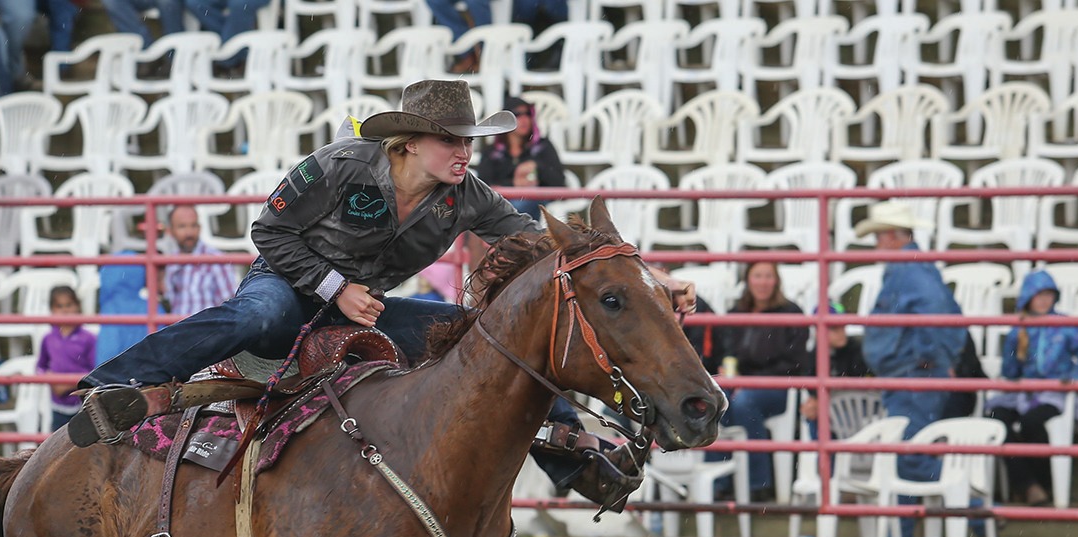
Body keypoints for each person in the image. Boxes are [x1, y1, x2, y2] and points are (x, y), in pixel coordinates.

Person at [73, 79, 694, 437]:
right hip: (291, 286)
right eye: (451, 141)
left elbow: (544, 240)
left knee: (478, 337)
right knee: (254, 319)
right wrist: (333, 286)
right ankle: (116, 381)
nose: (465, 152)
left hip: (363, 311)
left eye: (469, 141)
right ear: (409, 142)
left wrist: (654, 280)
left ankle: (565, 443)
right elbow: (269, 232)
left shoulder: (466, 194)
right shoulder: (341, 165)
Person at [855, 200, 964, 486]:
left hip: (912, 373)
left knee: (910, 453)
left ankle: (969, 505)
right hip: (913, 371)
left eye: (878, 236)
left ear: (890, 235)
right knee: (910, 451)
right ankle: (960, 507)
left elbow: (934, 312)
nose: (877, 244)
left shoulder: (908, 268)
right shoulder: (914, 266)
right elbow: (942, 311)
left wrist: (928, 357)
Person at [985, 268, 1078, 507]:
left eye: (1048, 295)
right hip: (1021, 393)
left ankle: (1041, 484)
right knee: (996, 419)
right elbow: (1010, 373)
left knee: (1032, 423)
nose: (1043, 300)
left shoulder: (1064, 325)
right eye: (1038, 295)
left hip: (1053, 394)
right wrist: (1015, 348)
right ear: (1027, 297)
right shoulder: (1018, 328)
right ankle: (1028, 485)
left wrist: (1074, 376)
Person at [710, 260, 809, 500]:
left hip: (777, 386)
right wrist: (728, 369)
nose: (763, 282)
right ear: (748, 280)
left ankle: (758, 485)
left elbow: (796, 362)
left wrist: (751, 380)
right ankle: (718, 479)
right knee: (712, 398)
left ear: (776, 281)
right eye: (758, 276)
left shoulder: (791, 313)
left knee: (745, 401)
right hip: (739, 383)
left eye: (768, 276)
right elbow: (725, 352)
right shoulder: (735, 313)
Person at [475, 94, 565, 223]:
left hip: (535, 202)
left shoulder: (543, 147)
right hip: (499, 203)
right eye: (517, 114)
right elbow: (483, 188)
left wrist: (537, 166)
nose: (524, 119)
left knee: (520, 205)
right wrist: (514, 185)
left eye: (528, 114)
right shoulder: (492, 152)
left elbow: (559, 183)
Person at [160, 203, 238, 319]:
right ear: (170, 231)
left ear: (200, 228)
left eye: (193, 225)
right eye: (182, 226)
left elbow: (231, 306)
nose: (189, 232)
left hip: (207, 331)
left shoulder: (216, 260)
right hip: (177, 331)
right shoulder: (171, 262)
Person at [799, 300, 869, 426]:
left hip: (861, 407)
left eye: (842, 326)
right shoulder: (812, 357)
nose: (841, 332)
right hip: (833, 408)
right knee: (813, 411)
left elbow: (866, 382)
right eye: (834, 328)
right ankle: (822, 445)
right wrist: (815, 402)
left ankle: (830, 445)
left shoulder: (858, 349)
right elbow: (812, 387)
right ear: (818, 331)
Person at [37, 284, 97, 432]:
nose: (65, 310)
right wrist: (50, 379)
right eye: (59, 306)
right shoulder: (48, 339)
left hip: (83, 404)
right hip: (57, 406)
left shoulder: (88, 338)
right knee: (58, 445)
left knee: (83, 444)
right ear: (52, 310)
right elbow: (40, 366)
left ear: (77, 306)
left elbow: (94, 371)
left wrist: (68, 384)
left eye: (69, 305)